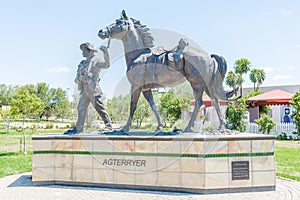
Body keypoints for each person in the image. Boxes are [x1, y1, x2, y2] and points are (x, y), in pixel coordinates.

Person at [65, 42, 112, 134]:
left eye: (84, 50)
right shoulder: (82, 63)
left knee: (99, 107)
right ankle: (79, 129)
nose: (82, 52)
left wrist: (106, 53)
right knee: (81, 108)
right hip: (84, 90)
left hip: (93, 89)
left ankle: (109, 126)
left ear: (89, 51)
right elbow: (76, 79)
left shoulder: (96, 61)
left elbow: (107, 65)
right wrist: (80, 78)